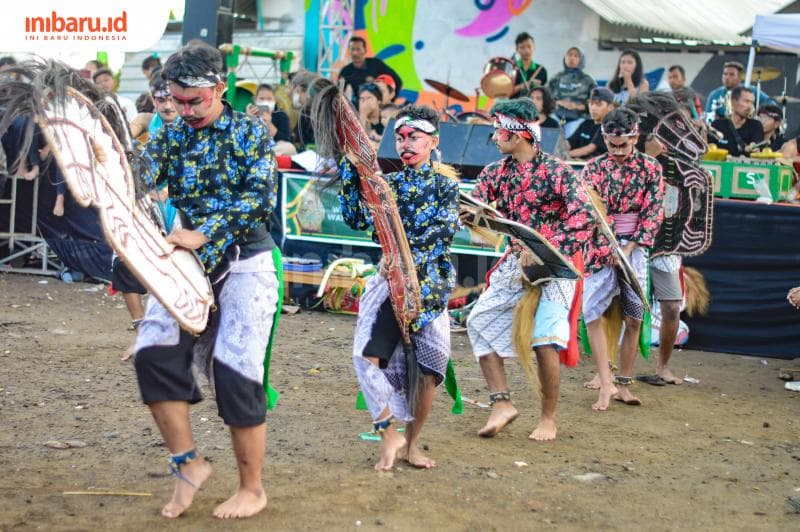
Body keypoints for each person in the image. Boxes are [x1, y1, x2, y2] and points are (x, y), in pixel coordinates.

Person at [133, 41, 280, 520]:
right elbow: (141, 174)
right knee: (152, 354)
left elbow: (260, 199)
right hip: (188, 262)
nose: (185, 110)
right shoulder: (172, 133)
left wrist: (204, 231)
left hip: (245, 261)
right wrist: (106, 161)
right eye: (176, 101)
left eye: (194, 100)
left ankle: (252, 488)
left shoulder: (249, 132)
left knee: (236, 369)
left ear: (219, 88)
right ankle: (188, 463)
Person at [465, 98, 595, 441]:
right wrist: (468, 215)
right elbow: (476, 206)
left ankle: (548, 418)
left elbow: (584, 216)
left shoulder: (557, 172)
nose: (494, 138)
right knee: (478, 321)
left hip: (557, 263)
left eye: (499, 130)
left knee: (544, 340)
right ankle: (502, 403)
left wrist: (546, 249)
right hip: (516, 260)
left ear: (519, 134)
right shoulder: (495, 173)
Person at [339, 105, 460, 469]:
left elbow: (441, 234)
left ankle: (411, 444)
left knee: (428, 370)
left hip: (430, 288)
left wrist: (403, 254)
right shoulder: (385, 184)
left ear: (433, 143)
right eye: (401, 138)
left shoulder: (446, 185)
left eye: (414, 138)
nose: (406, 144)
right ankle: (386, 431)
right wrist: (352, 168)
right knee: (367, 358)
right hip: (390, 283)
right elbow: (356, 218)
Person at [580, 108, 664, 411]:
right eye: (611, 145)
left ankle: (624, 383)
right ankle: (606, 382)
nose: (617, 151)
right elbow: (589, 211)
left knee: (633, 316)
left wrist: (627, 250)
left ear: (635, 138)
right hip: (601, 246)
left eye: (623, 145)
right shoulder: (592, 168)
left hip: (635, 249)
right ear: (604, 138)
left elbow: (653, 212)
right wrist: (610, 247)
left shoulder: (651, 169)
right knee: (591, 312)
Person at [338, 36, 402, 104]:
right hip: (358, 107)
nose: (355, 53)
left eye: (358, 49)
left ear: (365, 50)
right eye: (352, 49)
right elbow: (338, 94)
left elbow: (397, 81)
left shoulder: (376, 64)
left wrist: (390, 102)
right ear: (349, 51)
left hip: (377, 105)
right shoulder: (345, 71)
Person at [548, 47, 596, 131]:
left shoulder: (588, 80)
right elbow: (545, 97)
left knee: (571, 137)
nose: (572, 58)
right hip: (557, 116)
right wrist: (558, 102)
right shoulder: (555, 78)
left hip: (579, 118)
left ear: (581, 59)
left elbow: (596, 102)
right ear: (565, 58)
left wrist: (579, 106)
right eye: (569, 55)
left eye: (576, 56)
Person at [711, 86, 763, 157]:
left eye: (752, 103)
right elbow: (709, 149)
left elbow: (756, 146)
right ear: (733, 102)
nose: (750, 107)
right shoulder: (717, 125)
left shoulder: (756, 126)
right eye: (746, 101)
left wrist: (754, 148)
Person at [246, 83, 295, 155]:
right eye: (262, 99)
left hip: (275, 149)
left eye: (269, 99)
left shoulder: (281, 116)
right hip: (253, 148)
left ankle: (266, 155)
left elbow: (284, 140)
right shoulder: (249, 115)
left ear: (275, 100)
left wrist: (269, 123)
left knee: (289, 147)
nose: (265, 102)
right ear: (255, 99)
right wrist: (248, 119)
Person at [566, 87, 613, 160]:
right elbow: (570, 142)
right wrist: (561, 148)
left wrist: (563, 155)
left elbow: (589, 149)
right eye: (591, 103)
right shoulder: (586, 123)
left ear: (610, 107)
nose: (593, 108)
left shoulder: (610, 126)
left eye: (598, 104)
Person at [290, 70, 320, 150]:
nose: (298, 96)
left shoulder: (308, 112)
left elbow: (296, 137)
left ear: (308, 92)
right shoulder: (307, 110)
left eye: (298, 92)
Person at [511, 32, 547, 98]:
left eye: (529, 47)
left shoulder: (542, 70)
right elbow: (504, 93)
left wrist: (537, 88)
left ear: (534, 48)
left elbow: (544, 96)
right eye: (522, 47)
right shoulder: (511, 68)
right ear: (517, 50)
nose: (526, 50)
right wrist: (522, 86)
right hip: (513, 107)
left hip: (533, 107)